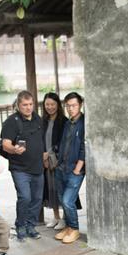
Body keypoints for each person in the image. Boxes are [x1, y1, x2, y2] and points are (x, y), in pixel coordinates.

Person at [0, 90, 45, 242]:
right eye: (25, 105)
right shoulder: (11, 121)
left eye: (31, 104)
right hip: (20, 169)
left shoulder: (37, 119)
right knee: (25, 197)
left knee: (37, 199)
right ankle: (20, 225)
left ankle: (31, 226)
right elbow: (5, 144)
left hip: (38, 167)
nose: (28, 107)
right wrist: (14, 149)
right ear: (18, 106)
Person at [54, 92, 86, 245]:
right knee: (62, 199)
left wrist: (78, 169)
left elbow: (84, 147)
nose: (71, 109)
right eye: (68, 106)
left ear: (80, 105)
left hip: (75, 169)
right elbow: (63, 144)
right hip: (62, 167)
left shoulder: (84, 123)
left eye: (74, 105)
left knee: (68, 200)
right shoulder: (68, 123)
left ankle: (74, 228)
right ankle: (68, 227)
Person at [41, 92, 66, 230]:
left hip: (59, 160)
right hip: (46, 160)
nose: (50, 107)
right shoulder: (43, 121)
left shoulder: (64, 121)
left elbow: (63, 143)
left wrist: (49, 154)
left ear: (58, 105)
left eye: (52, 104)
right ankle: (56, 217)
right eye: (47, 104)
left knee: (61, 189)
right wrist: (43, 155)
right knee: (51, 188)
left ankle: (65, 218)